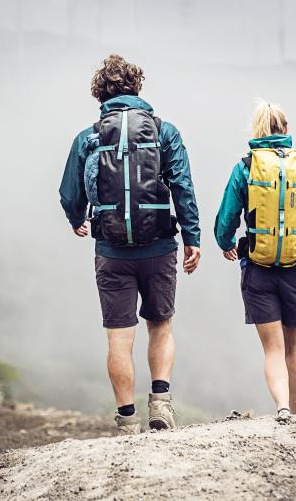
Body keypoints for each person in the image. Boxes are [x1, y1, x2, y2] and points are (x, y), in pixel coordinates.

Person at [59, 55, 202, 434]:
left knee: (119, 338)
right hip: (159, 247)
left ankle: (126, 419)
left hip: (111, 251)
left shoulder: (88, 137)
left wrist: (78, 220)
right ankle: (161, 404)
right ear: (137, 88)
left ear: (99, 94)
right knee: (161, 326)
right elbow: (182, 187)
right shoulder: (163, 131)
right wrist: (193, 238)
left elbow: (68, 192)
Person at [213, 99, 296, 423]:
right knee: (294, 347)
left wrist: (226, 243)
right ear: (285, 130)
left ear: (256, 130)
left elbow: (227, 216)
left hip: (258, 269)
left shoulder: (246, 167)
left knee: (271, 349)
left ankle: (282, 406)